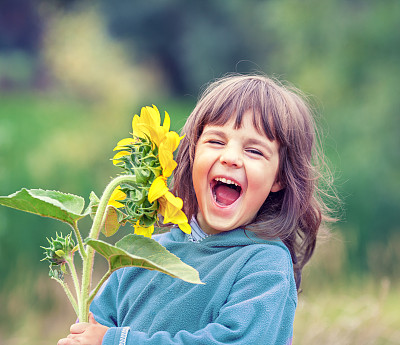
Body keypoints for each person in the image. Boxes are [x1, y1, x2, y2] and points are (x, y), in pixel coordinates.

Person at [57, 74, 336, 345]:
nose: (231, 158)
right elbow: (96, 326)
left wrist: (117, 341)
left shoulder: (264, 265)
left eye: (254, 151)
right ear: (191, 155)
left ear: (279, 178)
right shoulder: (140, 255)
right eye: (216, 141)